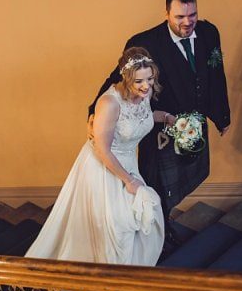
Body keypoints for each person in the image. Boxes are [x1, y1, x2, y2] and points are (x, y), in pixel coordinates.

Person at [89, 0, 231, 237]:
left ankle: (162, 224)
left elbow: (216, 73)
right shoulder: (146, 42)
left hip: (193, 123)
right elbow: (116, 78)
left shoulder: (209, 33)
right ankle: (158, 231)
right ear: (166, 14)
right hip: (158, 126)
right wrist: (93, 110)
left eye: (192, 15)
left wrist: (221, 115)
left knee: (187, 175)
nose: (188, 22)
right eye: (180, 17)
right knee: (157, 180)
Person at [25, 48, 174, 265]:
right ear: (126, 77)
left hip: (128, 162)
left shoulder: (145, 93)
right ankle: (107, 276)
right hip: (103, 166)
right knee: (116, 226)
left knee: (135, 219)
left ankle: (131, 272)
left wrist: (168, 117)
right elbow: (102, 149)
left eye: (150, 79)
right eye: (139, 81)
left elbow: (140, 119)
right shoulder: (109, 103)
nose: (146, 85)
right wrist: (129, 180)